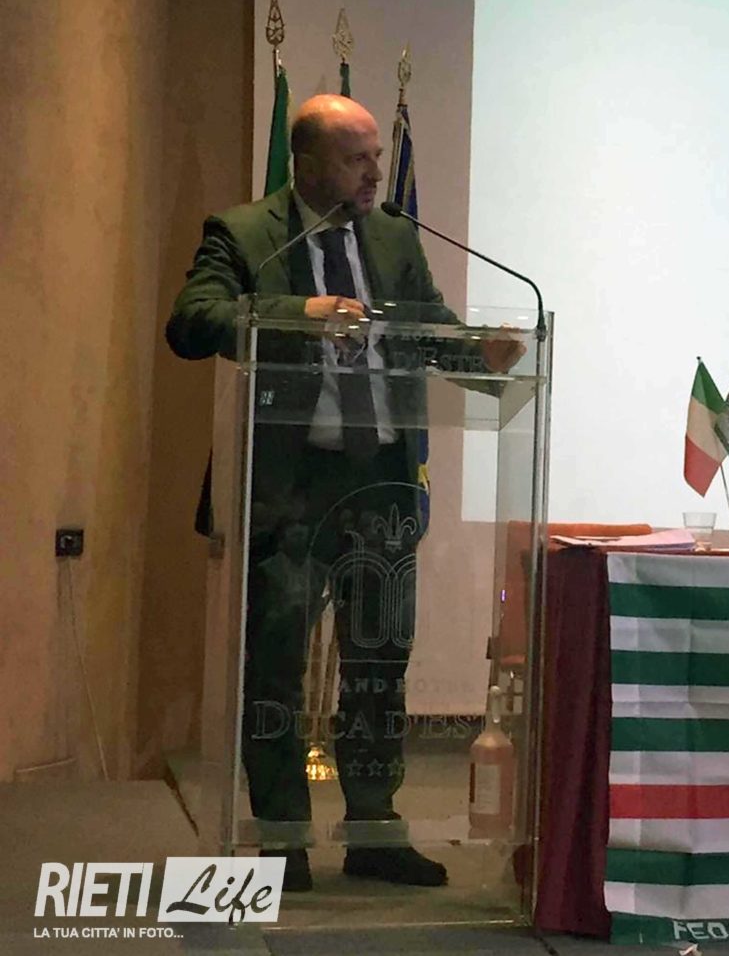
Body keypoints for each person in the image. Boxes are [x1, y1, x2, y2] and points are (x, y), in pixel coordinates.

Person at [166, 95, 522, 892]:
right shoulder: (246, 233)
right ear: (308, 164)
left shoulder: (392, 233)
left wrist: (487, 357)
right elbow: (192, 321)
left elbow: (427, 326)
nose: (373, 173)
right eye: (357, 158)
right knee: (276, 666)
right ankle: (283, 839)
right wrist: (301, 313)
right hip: (290, 484)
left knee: (379, 662)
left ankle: (373, 829)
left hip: (379, 480)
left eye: (375, 157)